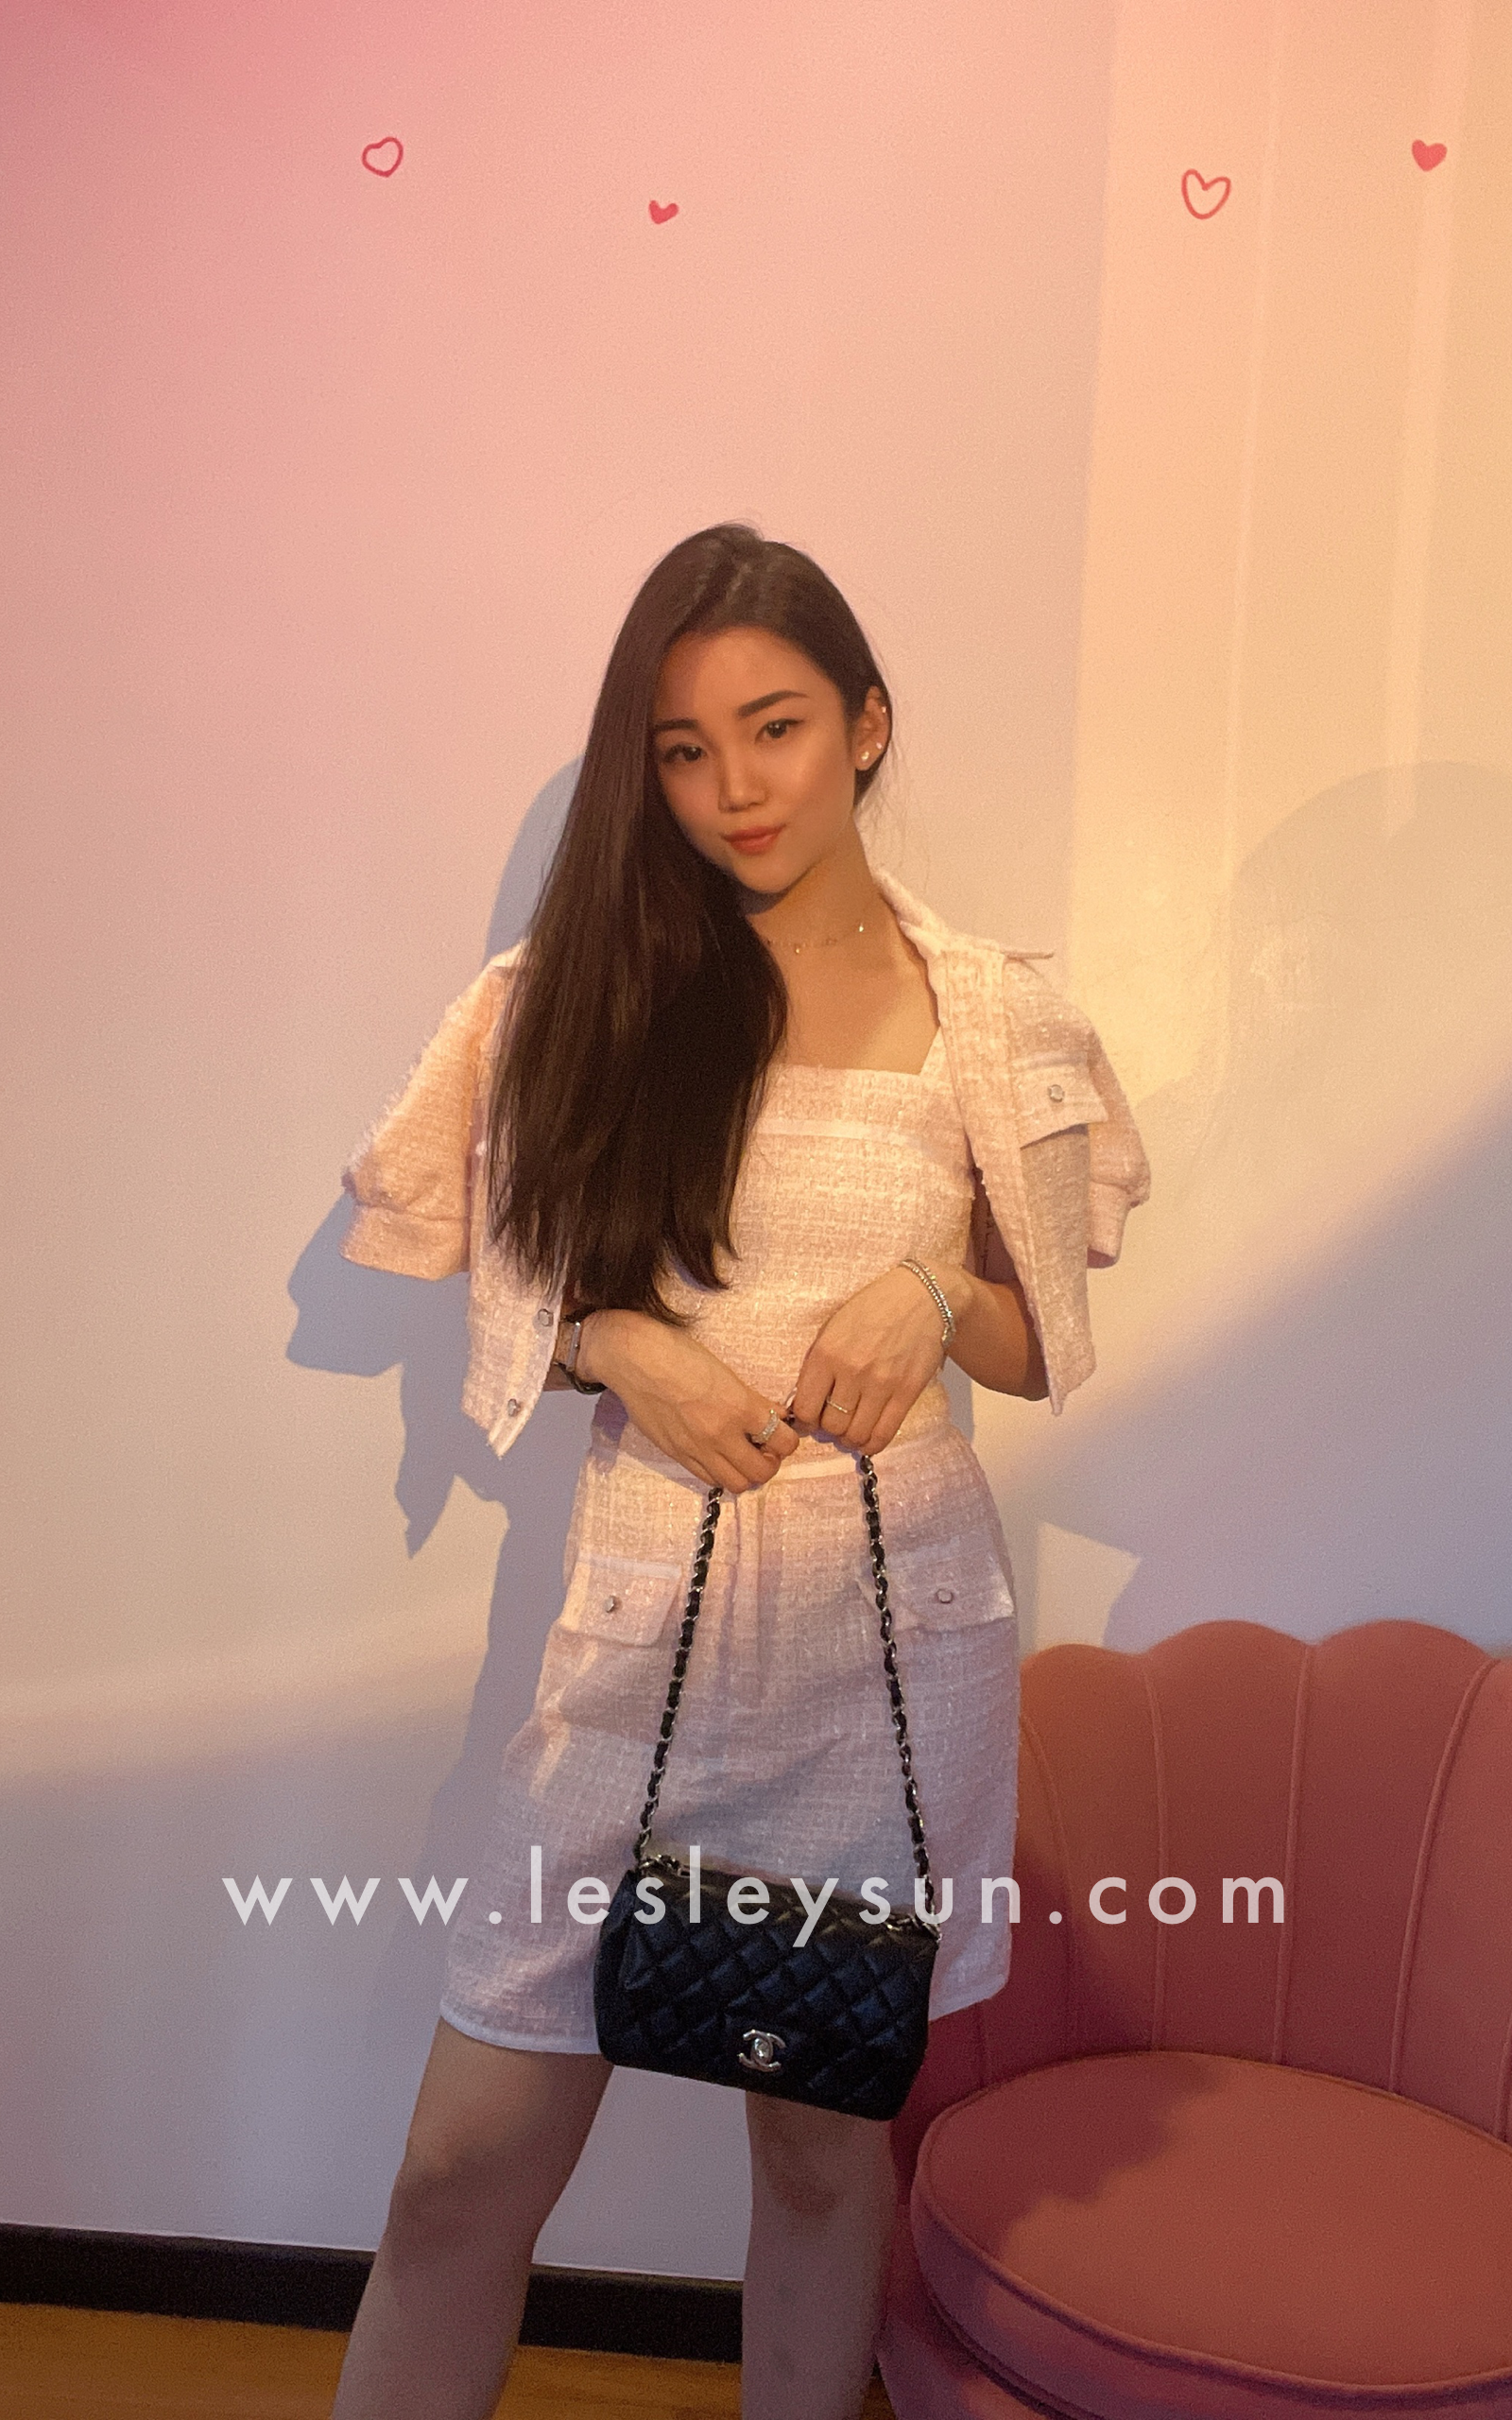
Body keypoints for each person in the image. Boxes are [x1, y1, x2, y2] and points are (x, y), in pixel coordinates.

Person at [329, 523, 1149, 2420]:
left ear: (866, 723)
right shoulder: (576, 991)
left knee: (817, 2153)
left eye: (772, 727)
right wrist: (625, 1345)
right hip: (642, 1624)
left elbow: (1037, 1340)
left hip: (887, 1640)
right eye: (682, 749)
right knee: (457, 2171)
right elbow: (504, 1278)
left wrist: (931, 1292)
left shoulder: (992, 1008)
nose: (732, 789)